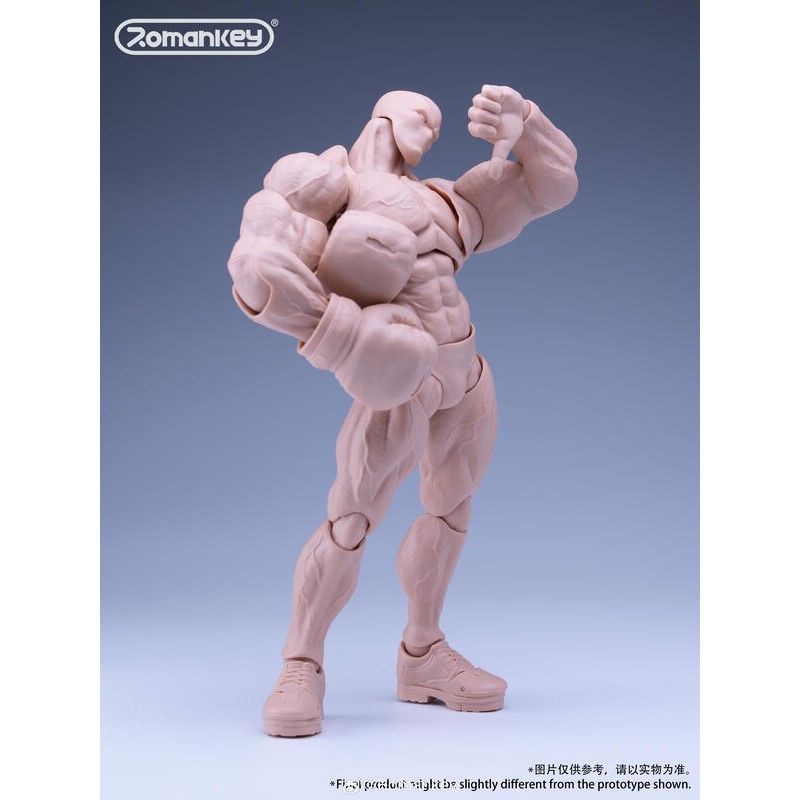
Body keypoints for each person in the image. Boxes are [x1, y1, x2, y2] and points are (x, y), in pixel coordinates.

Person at [228, 85, 578, 736]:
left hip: (464, 371)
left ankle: (422, 653)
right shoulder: (325, 187)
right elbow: (257, 267)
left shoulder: (450, 202)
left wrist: (528, 124)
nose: (435, 129)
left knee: (451, 511)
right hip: (400, 375)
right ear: (384, 116)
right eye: (424, 115)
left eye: (439, 123)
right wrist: (340, 337)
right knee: (350, 520)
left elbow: (552, 186)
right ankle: (301, 662)